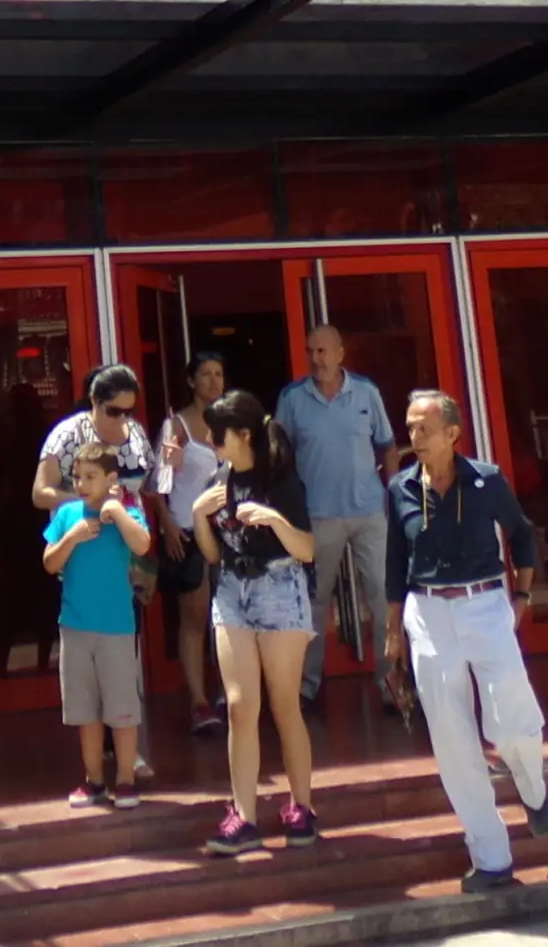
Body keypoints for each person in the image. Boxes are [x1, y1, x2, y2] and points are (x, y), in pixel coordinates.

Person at [382, 388, 548, 894]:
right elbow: (395, 562)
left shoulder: (486, 480)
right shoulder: (400, 489)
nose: (414, 438)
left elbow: (521, 534)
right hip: (427, 614)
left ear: (453, 433)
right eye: (409, 428)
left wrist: (521, 595)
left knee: (511, 719)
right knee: (454, 743)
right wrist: (394, 633)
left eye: (424, 428)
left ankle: (533, 787)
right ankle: (492, 860)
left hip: (485, 605)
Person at [192, 389, 319, 856]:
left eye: (218, 434)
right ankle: (243, 816)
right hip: (231, 590)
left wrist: (272, 519)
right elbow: (210, 554)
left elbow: (306, 549)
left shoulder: (281, 480)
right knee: (241, 705)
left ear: (243, 434)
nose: (211, 442)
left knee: (285, 704)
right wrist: (198, 518)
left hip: (280, 588)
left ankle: (301, 806)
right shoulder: (219, 478)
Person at [32, 363, 163, 781]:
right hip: (83, 545)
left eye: (128, 410)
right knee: (89, 655)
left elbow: (149, 485)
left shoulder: (137, 434)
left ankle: (127, 749)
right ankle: (100, 758)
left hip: (129, 544)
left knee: (124, 651)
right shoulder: (68, 435)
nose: (121, 419)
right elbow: (40, 492)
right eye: (113, 411)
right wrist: (87, 498)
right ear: (94, 402)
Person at [275, 324, 403, 709]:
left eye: (324, 351)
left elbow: (388, 446)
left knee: (383, 599)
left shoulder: (366, 391)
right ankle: (307, 688)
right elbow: (278, 455)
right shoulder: (293, 398)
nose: (317, 359)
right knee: (314, 602)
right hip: (317, 515)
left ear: (341, 353)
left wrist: (393, 497)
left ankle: (392, 687)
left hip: (369, 511)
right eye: (311, 351)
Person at [42, 444, 151, 809]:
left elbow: (143, 544)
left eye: (91, 477)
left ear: (111, 479)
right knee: (84, 711)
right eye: (78, 477)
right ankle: (93, 781)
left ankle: (126, 779)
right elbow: (49, 563)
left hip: (116, 626)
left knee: (121, 709)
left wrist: (118, 512)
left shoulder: (125, 513)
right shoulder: (67, 513)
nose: (83, 484)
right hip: (74, 626)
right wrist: (72, 537)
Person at [154, 349, 229, 738]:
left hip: (230, 531)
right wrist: (167, 527)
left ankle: (228, 694)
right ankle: (199, 702)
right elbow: (159, 485)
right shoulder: (177, 426)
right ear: (191, 381)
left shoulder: (234, 422)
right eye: (205, 374)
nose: (214, 381)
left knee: (231, 616)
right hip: (188, 528)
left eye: (218, 374)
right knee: (195, 614)